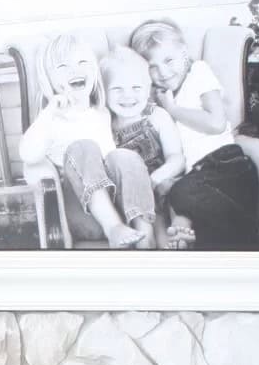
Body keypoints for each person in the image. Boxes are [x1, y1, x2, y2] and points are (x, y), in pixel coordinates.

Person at [129, 19, 259, 250]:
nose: (163, 72)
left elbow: (217, 123)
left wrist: (174, 110)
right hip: (196, 181)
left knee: (180, 192)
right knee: (195, 220)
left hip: (226, 164)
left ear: (184, 52)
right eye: (152, 66)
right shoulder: (158, 98)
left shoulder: (198, 72)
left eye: (169, 60)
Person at [19, 33, 157, 249]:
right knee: (83, 147)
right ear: (48, 78)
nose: (76, 70)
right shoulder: (51, 119)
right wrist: (48, 114)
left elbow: (118, 165)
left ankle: (146, 236)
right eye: (63, 66)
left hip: (120, 206)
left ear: (94, 71)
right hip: (83, 209)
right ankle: (112, 228)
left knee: (124, 156)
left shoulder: (102, 113)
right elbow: (28, 155)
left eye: (83, 62)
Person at [99, 46, 192, 249]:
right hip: (132, 197)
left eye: (136, 88)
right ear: (103, 92)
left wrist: (155, 179)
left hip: (162, 182)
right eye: (117, 89)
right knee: (150, 218)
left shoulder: (157, 116)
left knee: (178, 203)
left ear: (148, 87)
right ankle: (152, 244)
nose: (128, 96)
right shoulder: (104, 125)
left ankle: (176, 241)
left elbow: (177, 158)